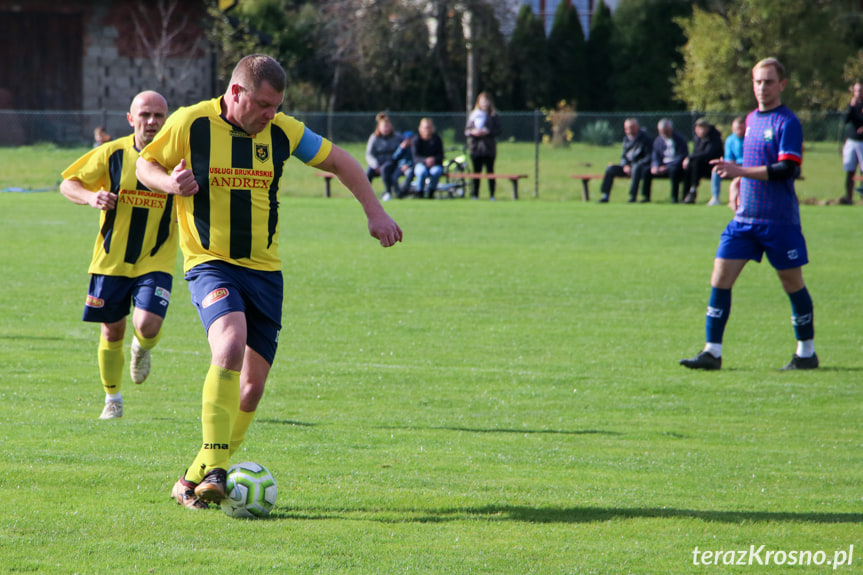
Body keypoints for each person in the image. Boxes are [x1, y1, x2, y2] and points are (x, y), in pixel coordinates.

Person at [136, 54, 402, 510]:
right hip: (210, 262)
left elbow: (342, 162)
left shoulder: (283, 131)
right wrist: (169, 184)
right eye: (262, 104)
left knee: (252, 388)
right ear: (236, 92)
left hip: (266, 272)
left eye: (276, 105)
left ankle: (193, 478)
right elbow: (145, 164)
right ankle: (218, 469)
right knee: (229, 344)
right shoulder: (190, 123)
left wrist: (375, 212)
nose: (269, 114)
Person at [680, 57, 816, 371]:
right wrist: (738, 182)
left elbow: (787, 168)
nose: (762, 87)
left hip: (778, 221)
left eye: (768, 81)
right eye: (757, 81)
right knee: (720, 278)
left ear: (781, 84)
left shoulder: (787, 122)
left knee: (791, 282)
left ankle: (806, 353)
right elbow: (754, 164)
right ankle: (712, 351)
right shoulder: (752, 119)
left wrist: (740, 170)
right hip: (744, 220)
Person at [60, 91, 173, 420]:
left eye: (158, 116)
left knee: (148, 324)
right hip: (111, 260)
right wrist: (91, 196)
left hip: (156, 258)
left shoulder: (176, 157)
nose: (151, 122)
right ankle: (113, 399)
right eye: (145, 115)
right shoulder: (111, 154)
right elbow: (68, 184)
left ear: (167, 120)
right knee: (112, 331)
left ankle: (143, 347)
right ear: (130, 118)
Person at [598, 118, 652, 203]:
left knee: (636, 168)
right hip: (628, 167)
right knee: (610, 169)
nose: (629, 130)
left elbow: (649, 157)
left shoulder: (646, 139)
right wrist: (625, 165)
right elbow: (623, 156)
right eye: (626, 128)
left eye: (631, 127)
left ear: (637, 127)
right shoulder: (626, 139)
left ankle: (632, 196)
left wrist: (634, 166)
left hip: (640, 167)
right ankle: (605, 195)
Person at [465, 91, 502, 200]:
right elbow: (466, 131)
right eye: (482, 101)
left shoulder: (493, 116)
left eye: (486, 101)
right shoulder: (474, 115)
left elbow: (499, 131)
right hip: (476, 148)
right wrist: (474, 132)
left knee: (490, 171)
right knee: (476, 172)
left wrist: (488, 132)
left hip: (489, 148)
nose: (484, 103)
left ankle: (492, 195)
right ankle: (475, 194)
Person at [682, 118, 723, 204]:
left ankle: (693, 189)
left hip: (713, 166)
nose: (701, 131)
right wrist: (690, 159)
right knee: (690, 166)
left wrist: (689, 157)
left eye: (703, 128)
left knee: (695, 163)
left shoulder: (714, 137)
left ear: (707, 129)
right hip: (701, 165)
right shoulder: (697, 138)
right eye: (699, 129)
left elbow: (708, 154)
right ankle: (686, 195)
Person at [649, 118, 688, 203]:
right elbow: (655, 155)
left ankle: (674, 198)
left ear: (670, 129)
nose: (663, 133)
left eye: (665, 131)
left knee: (674, 171)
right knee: (646, 171)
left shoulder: (680, 139)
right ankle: (645, 197)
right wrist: (655, 166)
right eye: (661, 131)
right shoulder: (658, 140)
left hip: (675, 166)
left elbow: (681, 156)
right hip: (662, 165)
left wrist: (667, 167)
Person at [365, 115, 403, 202]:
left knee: (385, 169)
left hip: (392, 163)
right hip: (377, 164)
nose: (386, 128)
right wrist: (375, 165)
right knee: (368, 172)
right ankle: (365, 194)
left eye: (388, 126)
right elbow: (369, 154)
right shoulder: (374, 138)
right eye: (384, 126)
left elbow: (404, 149)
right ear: (379, 127)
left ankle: (388, 192)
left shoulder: (397, 137)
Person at [709, 116, 745, 207]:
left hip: (746, 165)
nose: (739, 131)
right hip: (734, 164)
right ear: (733, 128)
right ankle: (715, 197)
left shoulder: (749, 138)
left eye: (741, 128)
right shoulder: (730, 140)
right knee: (716, 170)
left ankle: (737, 199)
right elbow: (728, 157)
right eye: (737, 128)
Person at [840, 81, 863, 205]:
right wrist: (850, 106)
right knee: (850, 169)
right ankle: (848, 197)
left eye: (860, 91)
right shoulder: (852, 106)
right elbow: (845, 120)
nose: (858, 93)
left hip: (862, 142)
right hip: (851, 141)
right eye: (856, 91)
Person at [411, 118, 445, 199]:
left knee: (436, 171)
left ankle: (431, 193)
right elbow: (415, 157)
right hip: (421, 164)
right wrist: (425, 160)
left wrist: (433, 159)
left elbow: (441, 155)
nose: (427, 130)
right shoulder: (416, 140)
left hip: (435, 164)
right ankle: (420, 193)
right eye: (425, 127)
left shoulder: (437, 139)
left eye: (429, 127)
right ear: (420, 128)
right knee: (421, 171)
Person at [393, 130, 414, 198]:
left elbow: (415, 159)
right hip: (400, 167)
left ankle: (405, 191)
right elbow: (395, 157)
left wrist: (408, 165)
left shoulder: (413, 148)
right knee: (394, 177)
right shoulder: (401, 147)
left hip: (410, 167)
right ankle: (398, 192)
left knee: (410, 174)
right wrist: (401, 148)